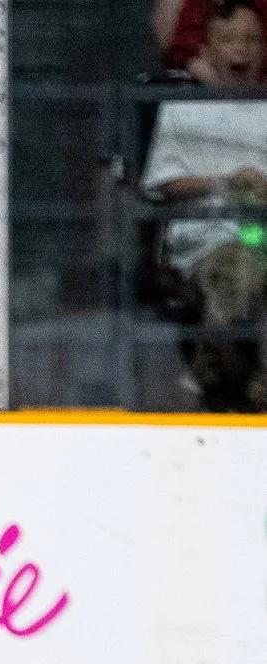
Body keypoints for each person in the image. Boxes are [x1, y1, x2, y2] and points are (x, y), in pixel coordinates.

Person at [142, 1, 267, 409]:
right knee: (242, 268)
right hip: (209, 239)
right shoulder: (184, 108)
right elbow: (163, 184)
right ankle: (216, 377)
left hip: (261, 235)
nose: (241, 49)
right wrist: (224, 182)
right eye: (228, 39)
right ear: (207, 49)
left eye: (251, 39)